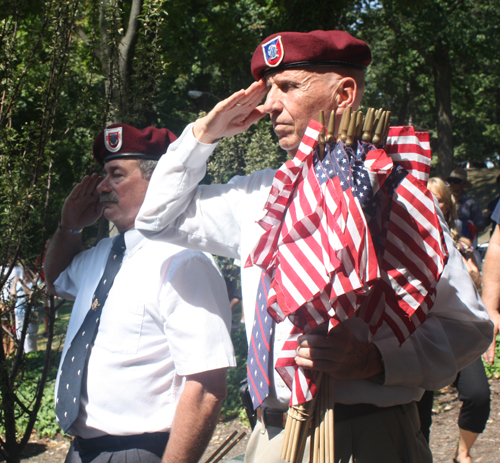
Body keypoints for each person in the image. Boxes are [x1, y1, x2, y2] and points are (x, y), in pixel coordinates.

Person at [136, 30, 493, 463]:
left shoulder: (392, 193)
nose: (268, 105)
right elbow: (155, 219)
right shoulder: (258, 194)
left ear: (343, 94)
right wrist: (202, 136)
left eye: (287, 87)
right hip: (272, 435)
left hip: (365, 435)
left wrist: (375, 360)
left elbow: (468, 328)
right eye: (268, 90)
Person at [44, 124, 235, 463]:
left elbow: (206, 387)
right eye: (103, 175)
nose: (102, 187)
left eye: (116, 175)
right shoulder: (102, 254)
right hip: (82, 449)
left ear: (160, 180)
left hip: (140, 452)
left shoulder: (183, 259)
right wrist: (68, 227)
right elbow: (56, 279)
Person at [419, 178, 490, 463]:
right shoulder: (412, 233)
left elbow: (476, 283)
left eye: (440, 198)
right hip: (422, 331)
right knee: (419, 417)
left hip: (458, 327)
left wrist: (469, 266)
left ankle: (463, 453)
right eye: (430, 197)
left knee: (477, 395)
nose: (436, 203)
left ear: (448, 204)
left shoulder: (460, 236)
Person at [446, 168, 485, 243]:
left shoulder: (471, 202)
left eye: (456, 181)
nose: (452, 183)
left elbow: (480, 226)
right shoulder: (445, 201)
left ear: (464, 184)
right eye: (450, 180)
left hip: (466, 244)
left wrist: (464, 227)